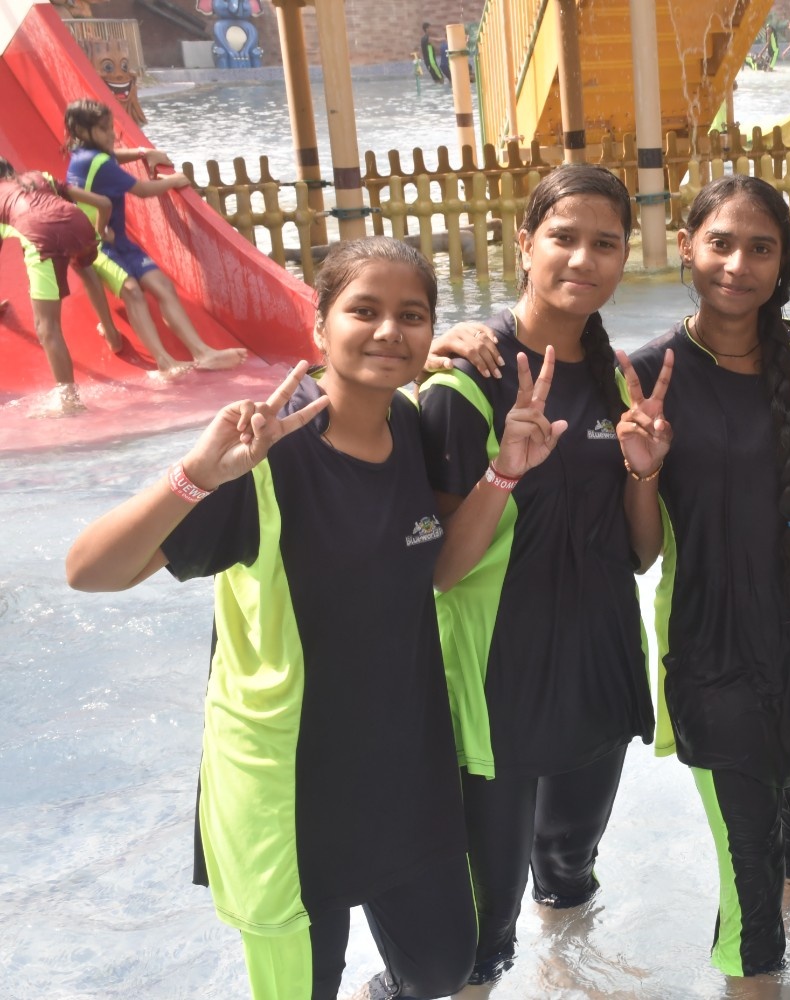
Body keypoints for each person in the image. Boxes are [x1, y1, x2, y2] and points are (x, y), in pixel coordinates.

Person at [63, 236, 533, 1000]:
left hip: (405, 774)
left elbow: (435, 572)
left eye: (411, 315)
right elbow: (89, 570)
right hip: (290, 789)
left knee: (443, 965)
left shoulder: (411, 427)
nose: (389, 331)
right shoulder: (265, 456)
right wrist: (194, 476)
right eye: (364, 311)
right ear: (319, 325)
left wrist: (503, 473)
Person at [416, 164, 653, 991]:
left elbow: (641, 553)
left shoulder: (619, 378)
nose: (583, 258)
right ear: (524, 244)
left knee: (570, 867)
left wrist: (646, 470)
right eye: (563, 237)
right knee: (486, 916)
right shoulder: (467, 381)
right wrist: (504, 470)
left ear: (625, 257)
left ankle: (568, 976)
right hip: (499, 676)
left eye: (605, 243)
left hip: (597, 659)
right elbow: (441, 569)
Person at [619, 175, 790, 979]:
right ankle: (754, 975)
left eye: (761, 248)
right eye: (720, 243)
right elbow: (640, 553)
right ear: (685, 245)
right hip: (710, 643)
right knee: (746, 853)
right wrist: (644, 470)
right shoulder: (645, 373)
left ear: (783, 260)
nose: (738, 264)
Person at [63, 98, 247, 375]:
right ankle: (164, 362)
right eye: (103, 129)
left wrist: (142, 152)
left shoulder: (86, 153)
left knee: (162, 286)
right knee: (133, 292)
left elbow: (112, 156)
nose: (111, 134)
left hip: (118, 241)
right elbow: (142, 190)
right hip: (95, 245)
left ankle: (203, 353)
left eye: (111, 127)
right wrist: (174, 180)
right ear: (81, 131)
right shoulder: (94, 161)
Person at [0, 155, 114, 414]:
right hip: (78, 223)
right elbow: (103, 203)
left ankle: (69, 401)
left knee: (46, 327)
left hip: (39, 237)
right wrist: (102, 231)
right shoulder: (41, 176)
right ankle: (111, 333)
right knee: (83, 265)